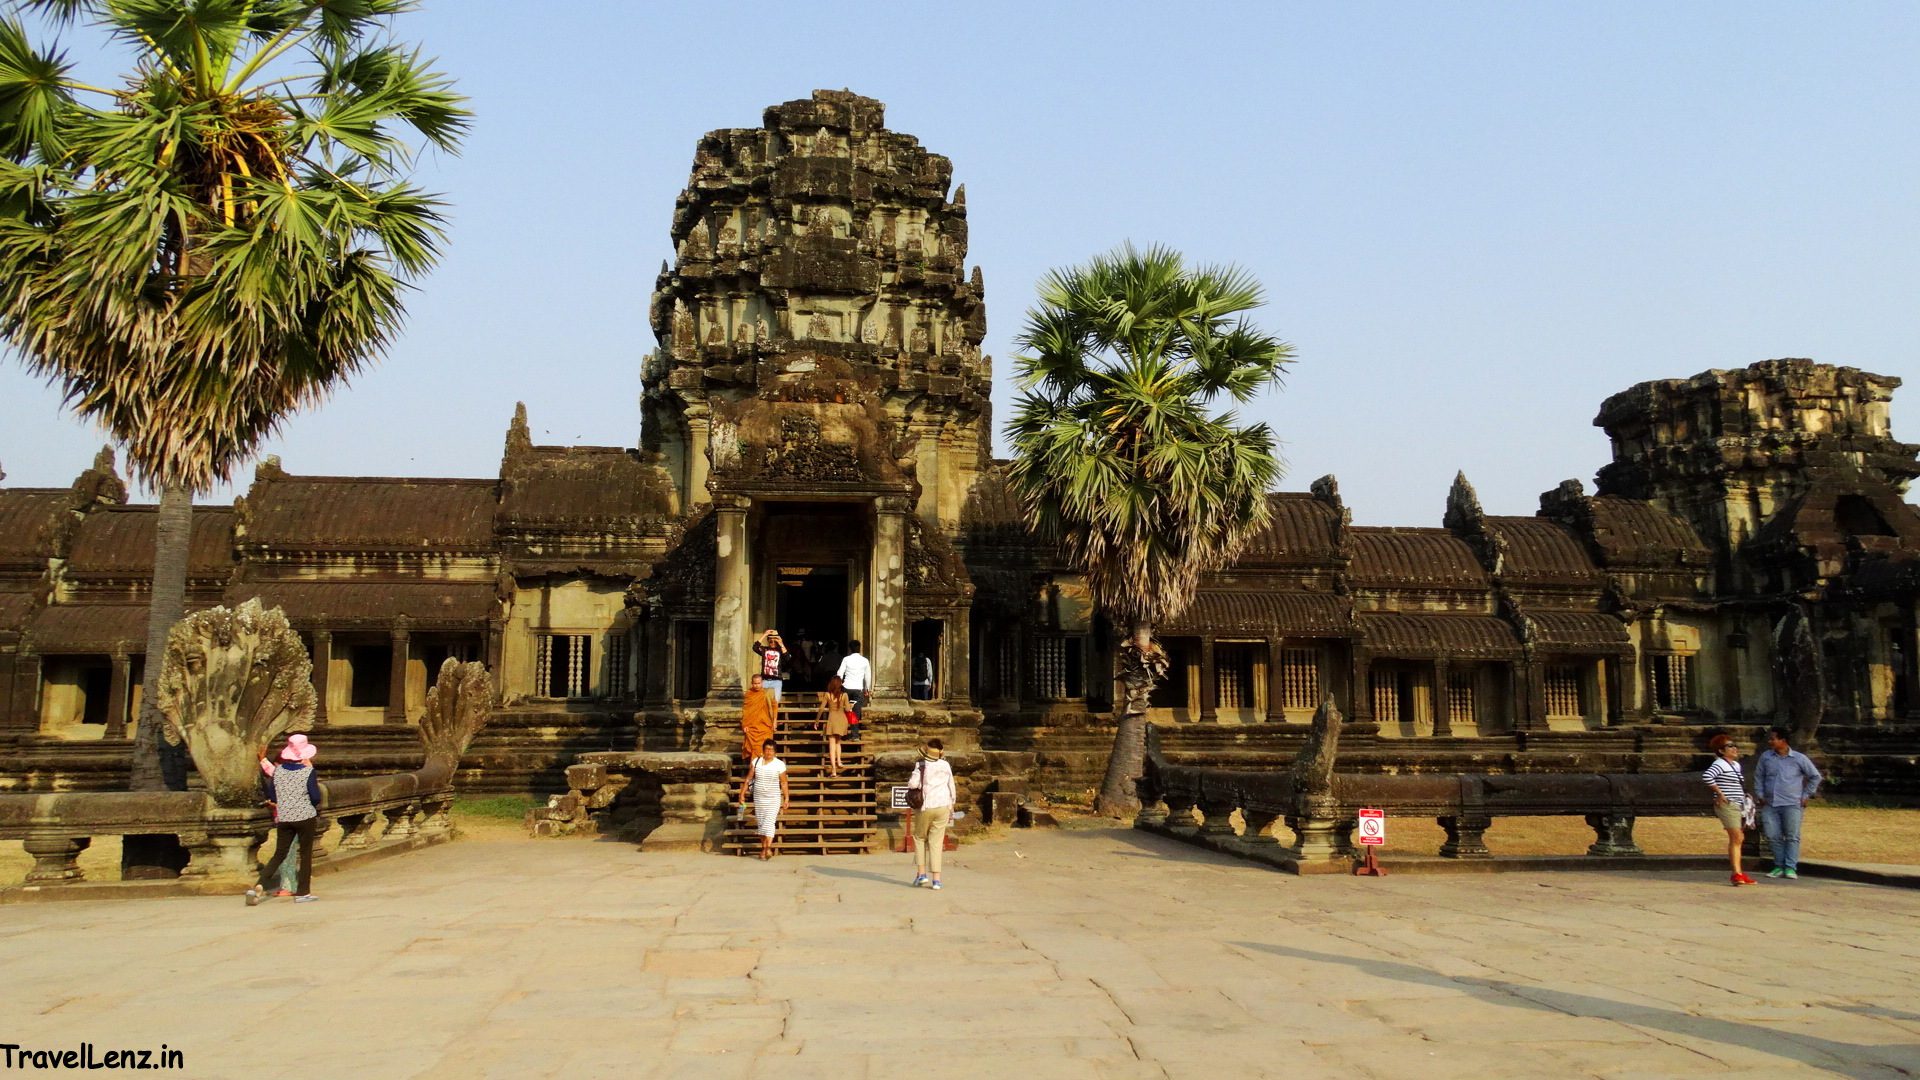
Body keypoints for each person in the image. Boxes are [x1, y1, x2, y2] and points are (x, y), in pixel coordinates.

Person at [246, 733, 323, 904]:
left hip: (284, 817)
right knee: (305, 854)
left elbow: (273, 795)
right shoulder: (308, 772)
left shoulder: (278, 772)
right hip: (304, 816)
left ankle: (257, 886)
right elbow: (315, 796)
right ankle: (303, 892)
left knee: (279, 854)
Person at [1753, 725, 1823, 879]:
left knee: (1792, 836)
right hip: (1770, 803)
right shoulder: (1766, 757)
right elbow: (1759, 776)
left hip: (1792, 803)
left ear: (1782, 740)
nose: (1770, 742)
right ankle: (1779, 865)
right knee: (1772, 835)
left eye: (1773, 739)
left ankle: (1790, 867)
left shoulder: (1799, 758)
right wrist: (1759, 794)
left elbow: (1815, 776)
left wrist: (1806, 795)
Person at [1702, 733, 1755, 887]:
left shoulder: (1735, 765)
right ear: (1721, 750)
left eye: (1734, 745)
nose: (1734, 748)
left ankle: (1738, 872)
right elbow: (1707, 777)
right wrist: (1719, 793)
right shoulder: (1719, 764)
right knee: (1737, 836)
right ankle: (1736, 873)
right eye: (1730, 746)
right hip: (1728, 803)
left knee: (1738, 838)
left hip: (1738, 803)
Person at [907, 738, 959, 890]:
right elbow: (951, 786)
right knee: (936, 842)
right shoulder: (945, 765)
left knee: (920, 838)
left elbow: (913, 784)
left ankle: (922, 874)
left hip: (926, 806)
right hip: (943, 805)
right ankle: (936, 880)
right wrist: (952, 806)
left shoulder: (921, 765)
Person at [738, 737, 790, 860]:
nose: (768, 752)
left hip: (773, 798)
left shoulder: (779, 764)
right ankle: (764, 848)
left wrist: (786, 798)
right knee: (761, 824)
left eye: (771, 750)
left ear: (775, 752)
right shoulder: (756, 762)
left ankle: (767, 849)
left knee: (769, 822)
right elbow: (748, 779)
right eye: (766, 749)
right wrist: (742, 794)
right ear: (763, 750)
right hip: (759, 797)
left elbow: (783, 783)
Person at [815, 675, 853, 777]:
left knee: (831, 745)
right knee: (838, 742)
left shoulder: (827, 695)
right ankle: (839, 761)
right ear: (840, 684)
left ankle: (834, 771)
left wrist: (817, 720)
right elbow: (848, 709)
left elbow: (821, 708)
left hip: (832, 720)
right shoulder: (844, 695)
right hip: (842, 720)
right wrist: (850, 706)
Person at [740, 673, 776, 761]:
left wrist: (774, 722)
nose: (756, 685)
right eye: (755, 683)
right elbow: (746, 711)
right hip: (752, 728)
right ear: (751, 683)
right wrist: (744, 725)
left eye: (758, 683)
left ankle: (765, 769)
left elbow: (775, 707)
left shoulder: (767, 693)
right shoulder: (748, 694)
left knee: (766, 748)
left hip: (765, 726)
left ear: (762, 683)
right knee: (754, 749)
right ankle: (755, 770)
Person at [836, 638, 871, 718]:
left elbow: (840, 673)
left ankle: (844, 727)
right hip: (858, 689)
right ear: (859, 648)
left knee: (844, 710)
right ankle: (854, 729)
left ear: (850, 649)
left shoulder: (846, 659)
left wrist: (839, 685)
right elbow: (867, 676)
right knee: (856, 713)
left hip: (846, 688)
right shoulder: (865, 660)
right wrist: (867, 689)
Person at [752, 630, 788, 706]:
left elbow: (787, 658)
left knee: (775, 702)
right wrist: (764, 635)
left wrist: (781, 643)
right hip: (765, 679)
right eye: (771, 641)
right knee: (761, 701)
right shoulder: (765, 650)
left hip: (777, 680)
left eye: (775, 641)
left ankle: (774, 718)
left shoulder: (780, 650)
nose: (773, 643)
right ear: (768, 641)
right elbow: (755, 647)